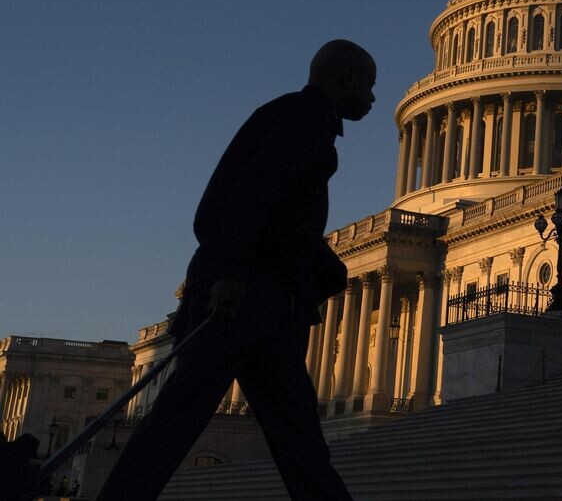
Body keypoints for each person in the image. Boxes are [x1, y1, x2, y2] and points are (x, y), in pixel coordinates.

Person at [97, 40, 376, 501]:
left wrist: (324, 267)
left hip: (259, 299)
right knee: (191, 423)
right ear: (346, 77)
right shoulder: (301, 121)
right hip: (246, 297)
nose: (371, 97)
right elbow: (247, 200)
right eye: (369, 83)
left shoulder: (294, 119)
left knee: (292, 435)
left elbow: (273, 219)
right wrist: (231, 274)